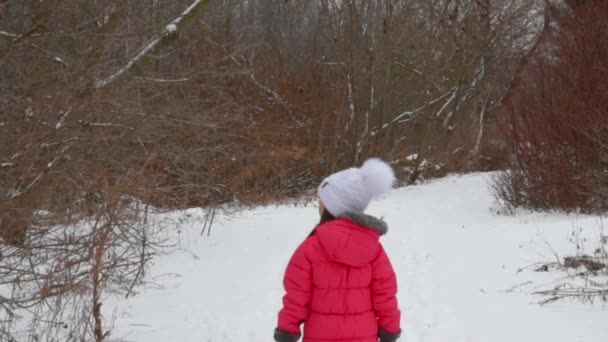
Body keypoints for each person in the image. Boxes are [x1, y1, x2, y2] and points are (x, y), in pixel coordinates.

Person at [274, 158, 401, 342]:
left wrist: (287, 331)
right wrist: (390, 330)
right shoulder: (373, 249)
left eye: (322, 200)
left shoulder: (310, 247)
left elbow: (296, 297)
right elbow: (385, 295)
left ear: (333, 206)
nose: (319, 204)